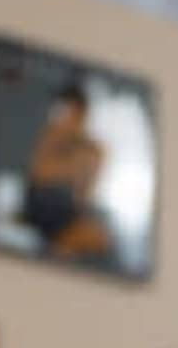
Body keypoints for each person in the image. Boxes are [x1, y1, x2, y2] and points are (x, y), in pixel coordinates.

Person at [14, 80, 113, 263]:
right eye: (61, 112)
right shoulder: (50, 138)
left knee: (97, 240)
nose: (63, 119)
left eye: (69, 112)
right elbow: (39, 173)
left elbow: (85, 195)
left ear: (81, 113)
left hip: (69, 218)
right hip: (43, 216)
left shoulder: (93, 150)